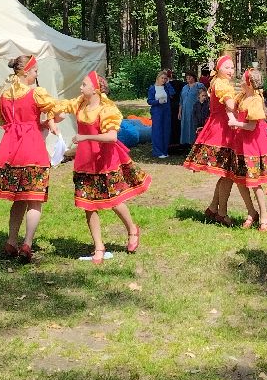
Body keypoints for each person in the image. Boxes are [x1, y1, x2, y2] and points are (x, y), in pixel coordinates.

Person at [0, 54, 68, 262]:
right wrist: (47, 122)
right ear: (26, 72)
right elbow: (58, 111)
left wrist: (19, 126)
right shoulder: (36, 93)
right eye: (35, 71)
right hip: (32, 148)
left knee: (18, 198)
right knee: (34, 199)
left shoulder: (4, 95)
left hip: (10, 148)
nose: (37, 75)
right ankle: (27, 243)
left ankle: (11, 240)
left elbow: (1, 119)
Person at [68, 70, 151, 262]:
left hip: (104, 160)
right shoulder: (81, 104)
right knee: (88, 205)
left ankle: (132, 229)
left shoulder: (107, 109)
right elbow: (61, 107)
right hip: (85, 161)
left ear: (95, 89)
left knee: (113, 200)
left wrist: (85, 137)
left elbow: (112, 137)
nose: (80, 88)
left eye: (84, 85)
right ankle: (98, 247)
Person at [184, 54, 240, 225]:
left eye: (232, 67)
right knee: (227, 174)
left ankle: (213, 208)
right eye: (227, 67)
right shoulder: (222, 85)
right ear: (218, 69)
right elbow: (231, 106)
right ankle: (221, 213)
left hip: (220, 127)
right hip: (222, 130)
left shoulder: (218, 82)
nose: (231, 70)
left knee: (226, 174)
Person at [228, 68, 267, 231]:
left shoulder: (255, 100)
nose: (240, 81)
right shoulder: (242, 96)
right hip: (241, 143)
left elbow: (252, 126)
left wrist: (236, 123)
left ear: (249, 83)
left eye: (242, 79)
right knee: (240, 180)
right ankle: (251, 212)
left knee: (254, 182)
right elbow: (229, 104)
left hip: (253, 144)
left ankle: (264, 215)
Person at [147, 70, 174, 158]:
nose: (163, 80)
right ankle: (158, 151)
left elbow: (172, 93)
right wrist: (158, 102)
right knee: (157, 131)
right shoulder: (152, 88)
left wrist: (168, 84)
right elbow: (149, 101)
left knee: (166, 130)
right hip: (157, 111)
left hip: (166, 111)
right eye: (162, 78)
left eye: (165, 78)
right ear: (158, 78)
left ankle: (164, 151)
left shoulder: (166, 87)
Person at [178, 71, 204, 148]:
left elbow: (204, 97)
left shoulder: (199, 85)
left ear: (194, 77)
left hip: (195, 110)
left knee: (194, 127)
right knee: (186, 127)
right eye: (187, 77)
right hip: (185, 111)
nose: (188, 78)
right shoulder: (184, 87)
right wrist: (180, 112)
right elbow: (181, 101)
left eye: (190, 76)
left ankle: (196, 146)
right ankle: (189, 146)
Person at [164, 68, 184, 150]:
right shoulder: (181, 83)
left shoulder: (165, 84)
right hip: (177, 106)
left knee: (170, 126)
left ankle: (171, 145)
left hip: (169, 107)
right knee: (177, 125)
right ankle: (178, 144)